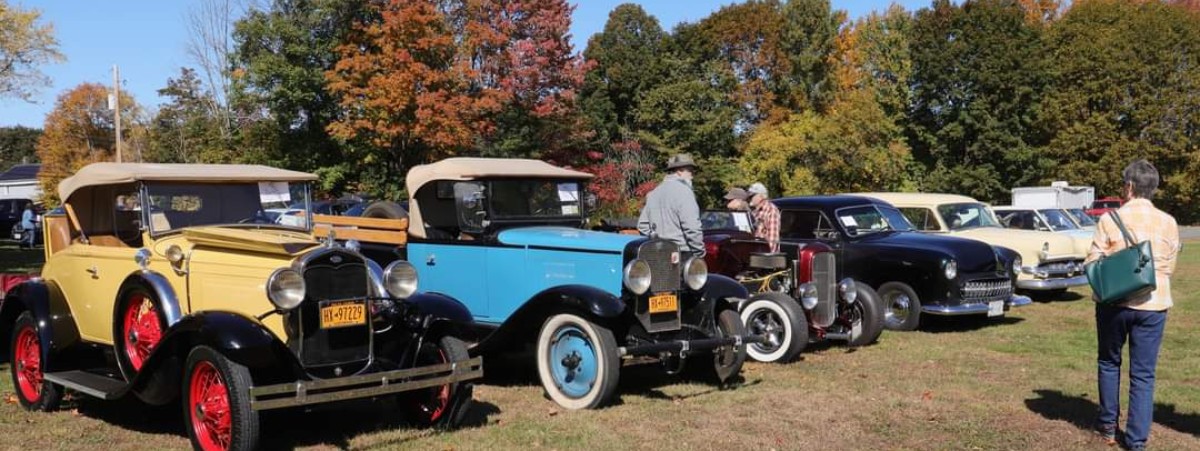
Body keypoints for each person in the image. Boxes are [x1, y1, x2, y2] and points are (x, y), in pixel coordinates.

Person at [1087, 159, 1180, 451]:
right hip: (1154, 304)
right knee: (1143, 373)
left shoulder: (1109, 219)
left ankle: (1108, 426)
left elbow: (1093, 263)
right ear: (1153, 188)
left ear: (1128, 187)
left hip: (1114, 303)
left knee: (1109, 361)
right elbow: (1169, 267)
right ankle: (1137, 439)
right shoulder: (1169, 222)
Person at [638, 154, 705, 256]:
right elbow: (692, 228)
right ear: (679, 171)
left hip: (657, 253)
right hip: (682, 253)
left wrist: (658, 241)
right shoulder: (685, 192)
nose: (692, 175)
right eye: (690, 171)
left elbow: (642, 226)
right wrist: (699, 252)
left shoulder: (654, 193)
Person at [747, 182, 780, 253]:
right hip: (754, 254)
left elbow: (773, 239)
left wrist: (767, 257)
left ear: (761, 196)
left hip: (765, 258)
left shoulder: (771, 210)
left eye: (752, 196)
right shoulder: (754, 211)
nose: (750, 198)